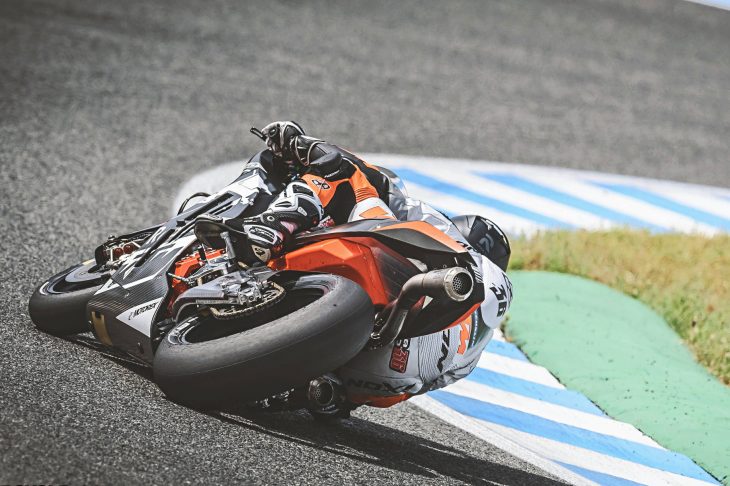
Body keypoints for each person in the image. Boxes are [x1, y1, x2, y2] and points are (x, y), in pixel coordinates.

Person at [200, 121, 513, 418]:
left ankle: (273, 226)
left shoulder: (443, 233)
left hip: (392, 309)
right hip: (386, 379)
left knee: (346, 175)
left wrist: (302, 144)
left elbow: (370, 176)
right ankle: (319, 391)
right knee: (337, 395)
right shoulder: (477, 343)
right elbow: (426, 384)